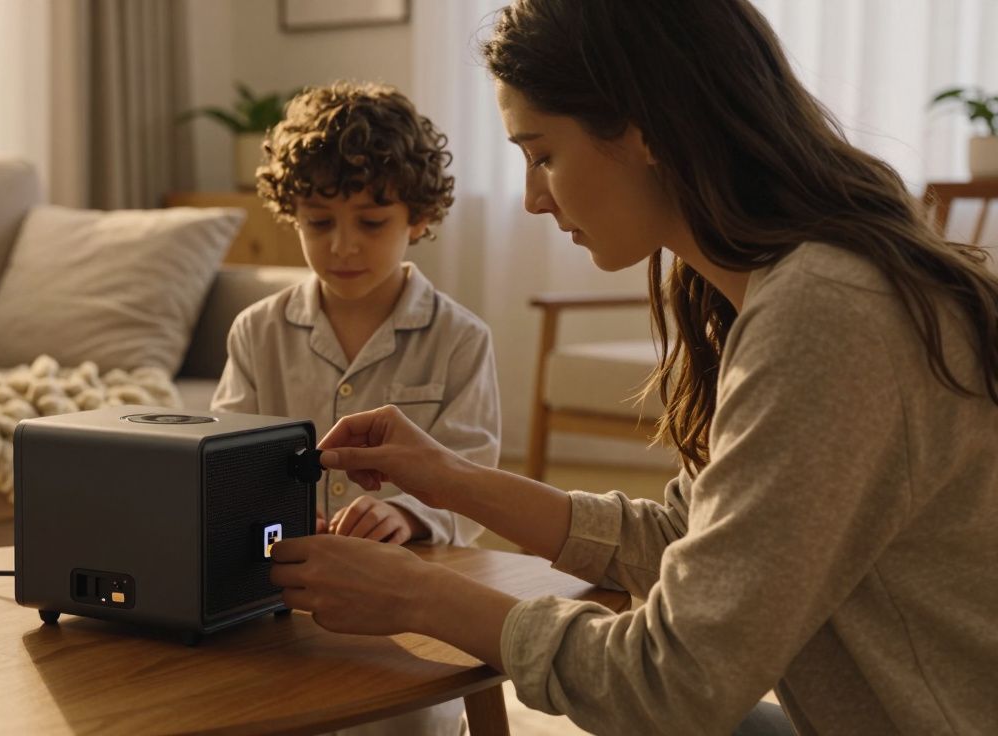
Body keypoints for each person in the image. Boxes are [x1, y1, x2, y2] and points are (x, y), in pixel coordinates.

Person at [267, 1, 998, 734]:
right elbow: (687, 535)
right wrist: (450, 477)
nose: (533, 198)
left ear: (643, 129)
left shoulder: (827, 314)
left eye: (542, 155)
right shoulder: (789, 286)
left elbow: (672, 683)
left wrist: (419, 598)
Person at [211, 81, 502, 735]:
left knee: (404, 721)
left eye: (371, 223)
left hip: (408, 605)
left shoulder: (461, 340)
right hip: (282, 597)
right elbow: (224, 467)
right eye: (319, 223)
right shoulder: (256, 331)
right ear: (291, 214)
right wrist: (277, 514)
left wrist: (405, 512)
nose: (343, 246)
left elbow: (475, 480)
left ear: (417, 219)